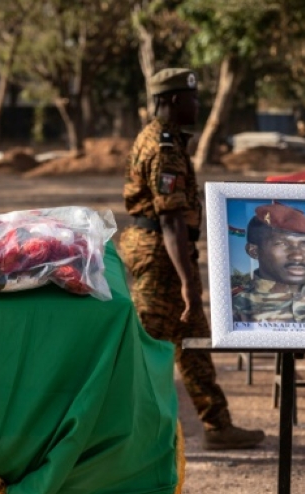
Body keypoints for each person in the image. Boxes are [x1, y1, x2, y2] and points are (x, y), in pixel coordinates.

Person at [121, 67, 265, 450]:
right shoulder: (163, 147)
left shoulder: (167, 140)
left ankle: (217, 424)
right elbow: (169, 219)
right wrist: (187, 280)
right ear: (170, 100)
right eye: (192, 97)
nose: (198, 104)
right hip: (160, 256)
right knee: (150, 345)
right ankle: (127, 436)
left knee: (194, 341)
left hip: (169, 252)